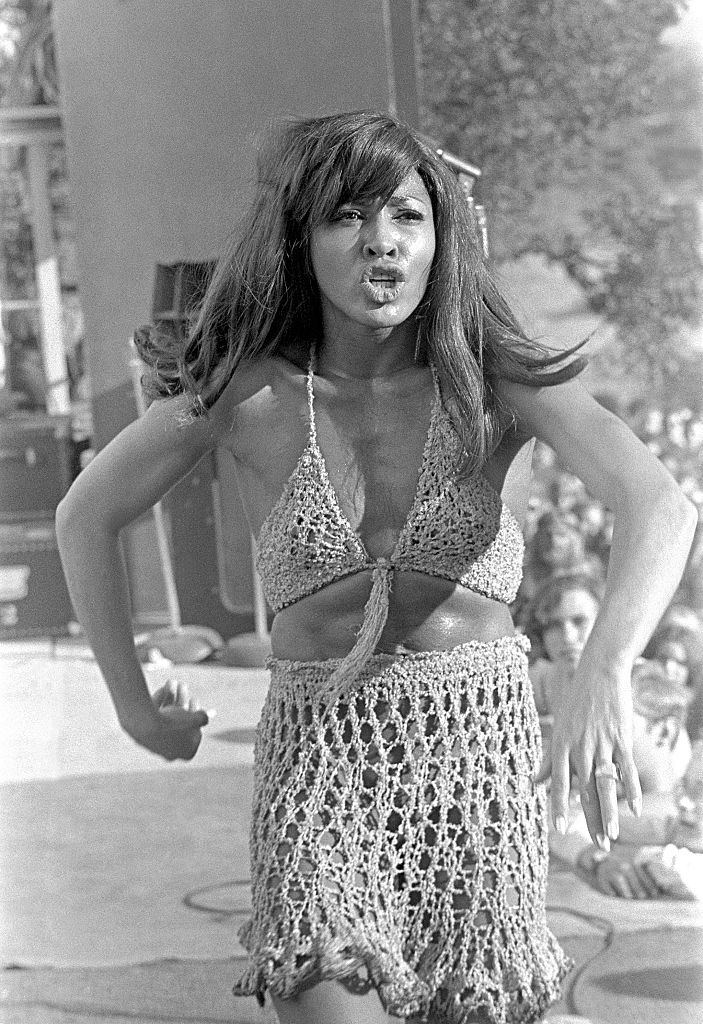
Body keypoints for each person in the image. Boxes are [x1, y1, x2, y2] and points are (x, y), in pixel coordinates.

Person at [55, 111, 698, 1024]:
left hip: (478, 763)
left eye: (406, 216)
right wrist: (131, 707)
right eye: (347, 217)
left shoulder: (491, 378)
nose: (381, 244)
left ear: (441, 237)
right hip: (317, 767)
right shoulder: (246, 391)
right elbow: (86, 514)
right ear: (300, 241)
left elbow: (660, 505)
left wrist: (604, 665)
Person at [527, 573, 603, 742]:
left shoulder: (640, 683)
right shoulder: (528, 689)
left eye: (579, 621)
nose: (568, 637)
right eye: (554, 625)